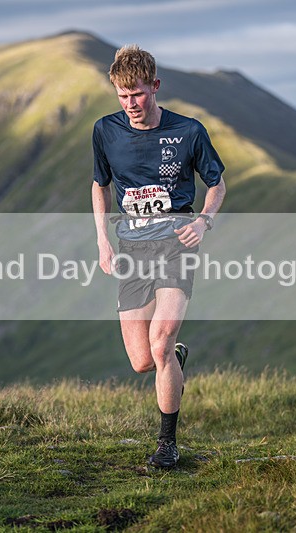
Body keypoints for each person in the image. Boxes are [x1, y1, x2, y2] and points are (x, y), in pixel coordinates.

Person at [91, 44, 226, 468]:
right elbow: (101, 184)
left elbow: (217, 183)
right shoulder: (105, 130)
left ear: (155, 86)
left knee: (161, 342)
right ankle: (176, 359)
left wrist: (203, 220)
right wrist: (102, 239)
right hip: (132, 248)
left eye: (138, 94)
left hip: (175, 244)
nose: (131, 104)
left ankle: (167, 444)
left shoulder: (188, 131)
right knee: (142, 360)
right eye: (122, 96)